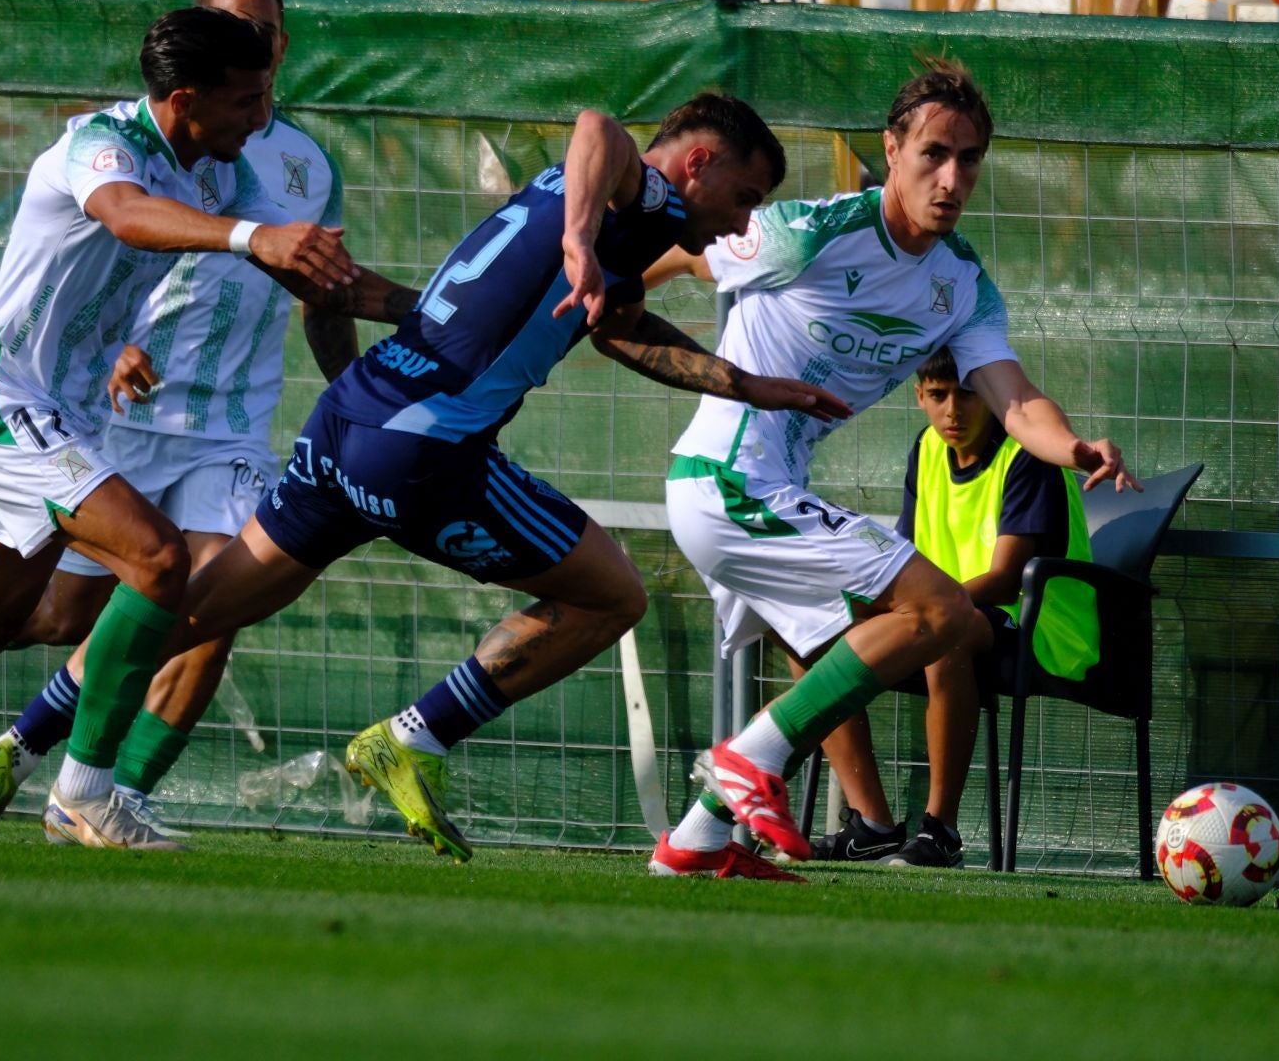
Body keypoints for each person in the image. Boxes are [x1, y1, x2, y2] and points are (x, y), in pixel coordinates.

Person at [56, 94, 850, 870]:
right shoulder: (635, 195)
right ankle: (412, 737)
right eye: (745, 198)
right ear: (699, 164)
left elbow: (622, 330)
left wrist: (747, 384)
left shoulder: (611, 211)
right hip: (423, 445)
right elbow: (598, 126)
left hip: (354, 413)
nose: (745, 222)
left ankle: (29, 750)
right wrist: (580, 238)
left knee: (202, 604)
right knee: (612, 594)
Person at [0, 6, 369, 844]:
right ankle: (85, 794)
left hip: (67, 416)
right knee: (160, 560)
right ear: (185, 98)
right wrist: (251, 237)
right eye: (247, 100)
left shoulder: (219, 172)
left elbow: (306, 264)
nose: (262, 117)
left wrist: (452, 314)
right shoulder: (101, 144)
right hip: (3, 402)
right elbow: (125, 213)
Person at [648, 62, 1138, 879]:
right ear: (892, 149)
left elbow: (1013, 400)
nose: (952, 179)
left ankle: (698, 839)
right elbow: (685, 250)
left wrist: (1074, 446)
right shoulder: (810, 232)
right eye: (934, 154)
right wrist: (591, 285)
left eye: (971, 159)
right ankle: (748, 760)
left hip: (764, 493)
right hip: (729, 481)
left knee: (853, 650)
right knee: (945, 611)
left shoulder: (963, 286)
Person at [0, 0, 372, 842]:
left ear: (282, 44)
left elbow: (316, 285)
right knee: (59, 615)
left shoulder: (303, 163)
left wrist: (358, 383)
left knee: (214, 600)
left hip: (230, 424)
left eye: (264, 29)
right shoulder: (145, 143)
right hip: (122, 413)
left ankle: (105, 791)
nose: (253, 41)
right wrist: (114, 343)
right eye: (228, 23)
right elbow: (119, 234)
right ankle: (5, 742)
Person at [800, 346, 1100, 868]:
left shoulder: (1026, 454)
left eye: (967, 395)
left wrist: (919, 609)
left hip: (1042, 625)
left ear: (991, 397)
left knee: (949, 633)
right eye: (938, 396)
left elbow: (1007, 581)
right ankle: (871, 824)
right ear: (919, 397)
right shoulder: (927, 450)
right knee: (812, 634)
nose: (953, 411)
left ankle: (941, 833)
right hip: (951, 611)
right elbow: (904, 553)